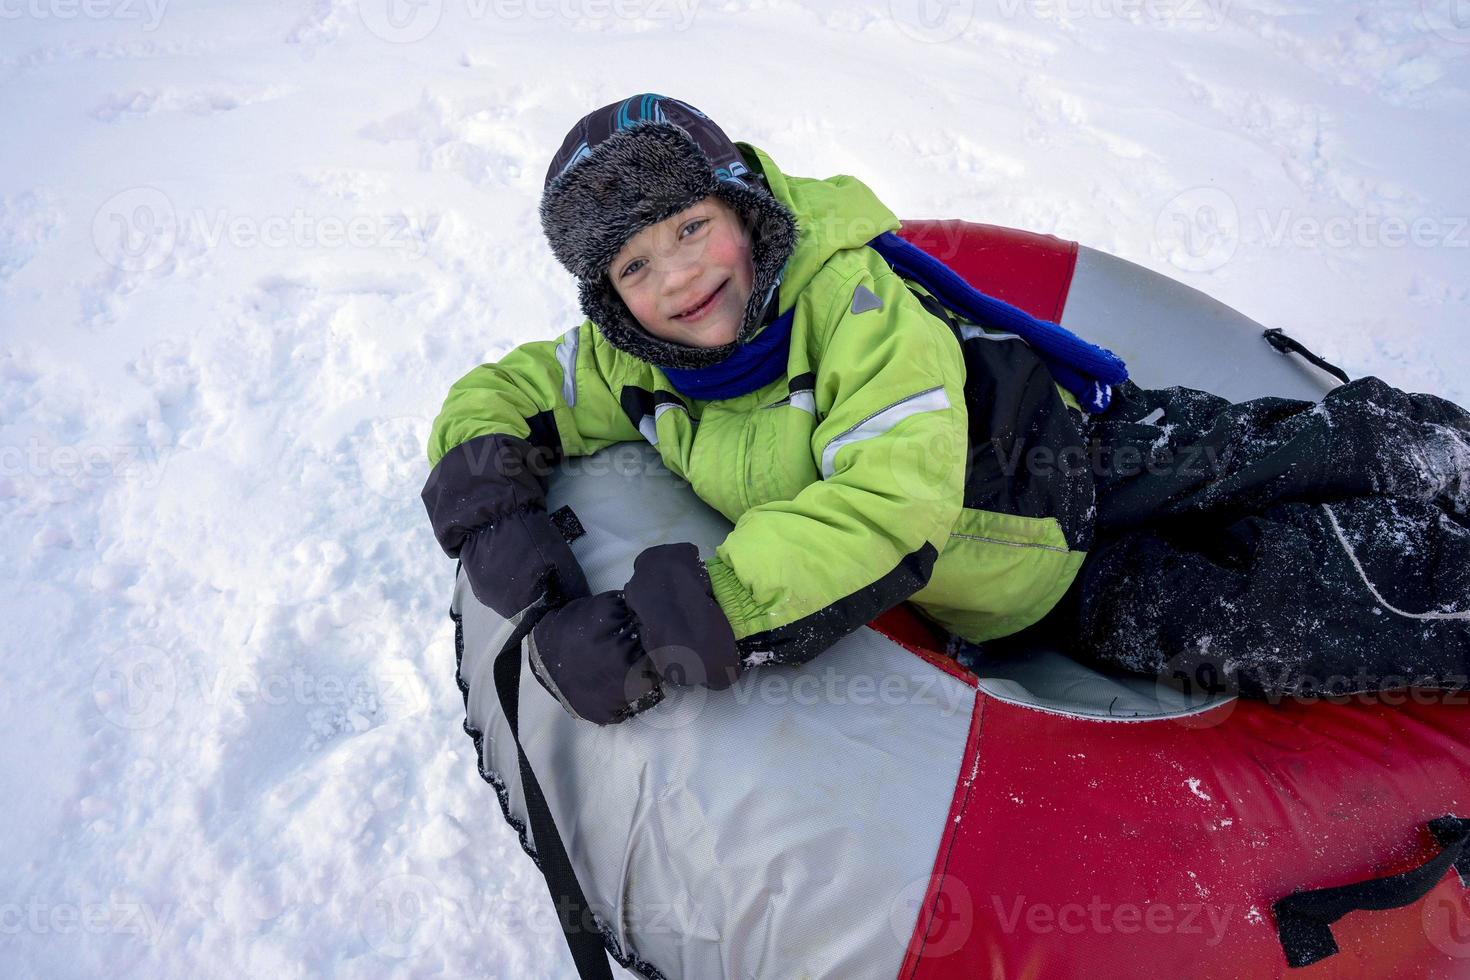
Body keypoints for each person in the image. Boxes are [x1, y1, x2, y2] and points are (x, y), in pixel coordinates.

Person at [421, 93, 1470, 724]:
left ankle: (1437, 452)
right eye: (638, 264)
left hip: (1073, 452)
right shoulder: (635, 359)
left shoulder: (853, 305)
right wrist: (496, 513)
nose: (681, 276)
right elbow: (505, 391)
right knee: (1257, 617)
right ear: (611, 301)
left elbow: (888, 503)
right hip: (1049, 583)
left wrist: (682, 619)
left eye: (692, 227)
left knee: (1281, 450)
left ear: (739, 202)